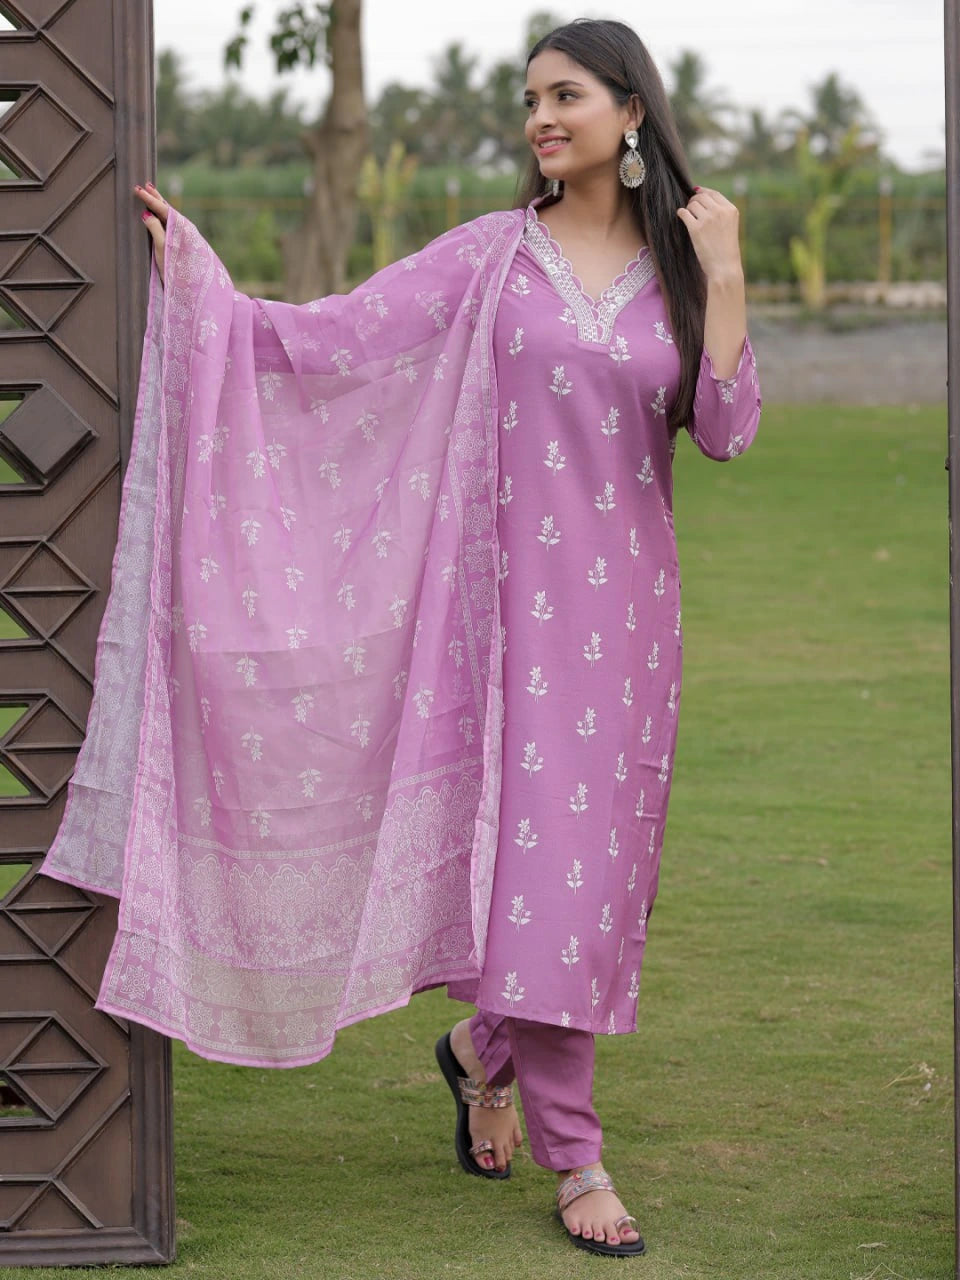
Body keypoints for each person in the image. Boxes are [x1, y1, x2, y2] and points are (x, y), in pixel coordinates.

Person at [50, 17, 760, 1260]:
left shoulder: (684, 269)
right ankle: (577, 1151)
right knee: (539, 878)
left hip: (628, 628)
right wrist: (207, 291)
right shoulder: (494, 258)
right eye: (530, 98)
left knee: (588, 887)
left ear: (633, 113)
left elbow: (724, 428)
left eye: (569, 95)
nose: (542, 117)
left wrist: (732, 273)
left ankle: (479, 1047)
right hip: (497, 623)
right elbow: (337, 338)